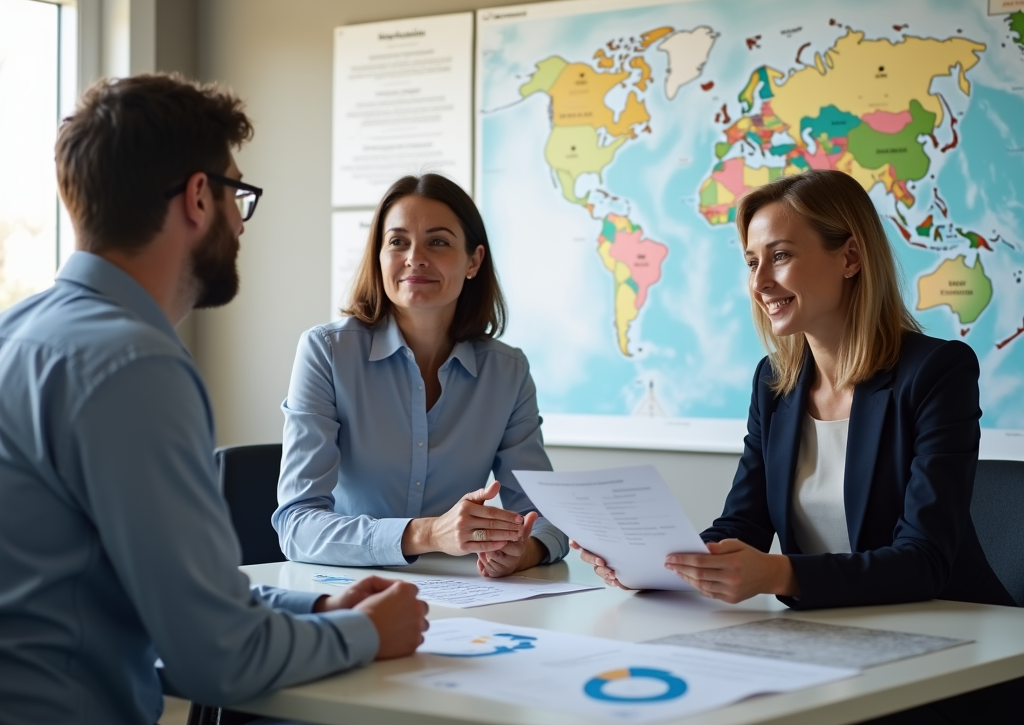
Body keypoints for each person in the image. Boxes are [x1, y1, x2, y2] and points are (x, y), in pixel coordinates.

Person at [0, 74, 427, 725]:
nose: (240, 220)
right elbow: (220, 658)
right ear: (200, 197)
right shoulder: (135, 365)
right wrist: (366, 633)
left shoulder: (19, 333)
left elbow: (176, 589)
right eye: (239, 195)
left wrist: (317, 605)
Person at [576, 170, 1014, 610]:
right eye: (752, 262)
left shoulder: (936, 372)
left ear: (850, 258)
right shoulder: (773, 382)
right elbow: (742, 524)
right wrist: (657, 567)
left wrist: (776, 573)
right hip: (828, 631)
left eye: (780, 256)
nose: (759, 282)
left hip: (952, 631)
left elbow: (924, 561)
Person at [273, 174, 568, 577]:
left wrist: (526, 551)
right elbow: (296, 526)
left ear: (474, 261)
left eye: (439, 241)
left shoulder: (507, 371)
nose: (415, 257)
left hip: (464, 593)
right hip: (345, 587)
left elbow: (544, 516)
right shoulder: (326, 352)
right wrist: (428, 533)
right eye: (397, 242)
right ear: (378, 257)